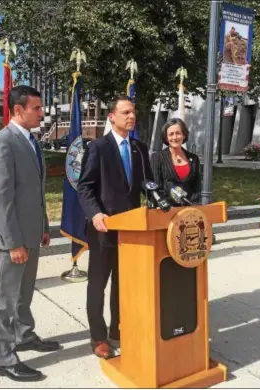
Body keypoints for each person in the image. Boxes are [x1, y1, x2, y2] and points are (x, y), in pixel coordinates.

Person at [0, 85, 61, 382]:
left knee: (23, 294)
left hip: (32, 233)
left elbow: (35, 191)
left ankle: (23, 335)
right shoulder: (1, 143)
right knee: (4, 300)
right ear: (19, 110)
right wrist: (14, 242)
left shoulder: (31, 141)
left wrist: (43, 227)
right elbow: (1, 198)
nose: (42, 113)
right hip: (12, 238)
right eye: (37, 108)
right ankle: (3, 358)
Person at [78, 95, 153, 359]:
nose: (131, 117)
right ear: (112, 116)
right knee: (98, 285)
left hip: (133, 231)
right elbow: (85, 186)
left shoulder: (140, 149)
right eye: (125, 113)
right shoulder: (98, 147)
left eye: (133, 112)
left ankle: (119, 328)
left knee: (124, 283)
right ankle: (98, 337)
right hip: (103, 229)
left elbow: (147, 185)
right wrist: (95, 214)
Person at [150, 118, 201, 205]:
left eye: (178, 133)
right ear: (166, 137)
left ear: (184, 135)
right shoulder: (157, 157)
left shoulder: (194, 158)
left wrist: (193, 203)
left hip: (188, 210)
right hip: (165, 209)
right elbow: (156, 187)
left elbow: (197, 187)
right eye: (171, 134)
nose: (174, 137)